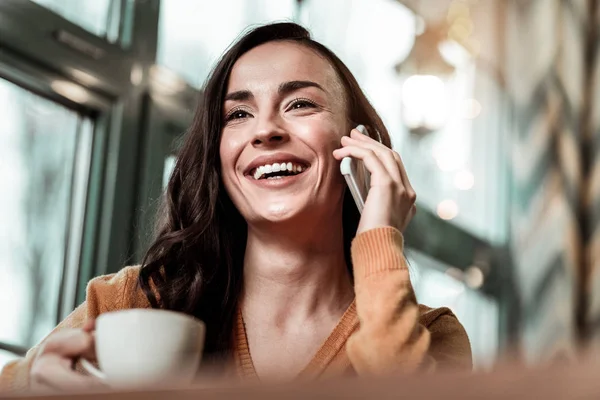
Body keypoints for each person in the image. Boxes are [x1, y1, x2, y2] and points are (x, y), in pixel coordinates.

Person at [0, 22, 471, 393]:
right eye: (238, 114)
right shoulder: (131, 302)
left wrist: (379, 238)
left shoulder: (433, 336)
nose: (264, 130)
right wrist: (34, 383)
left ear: (361, 147)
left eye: (301, 104)